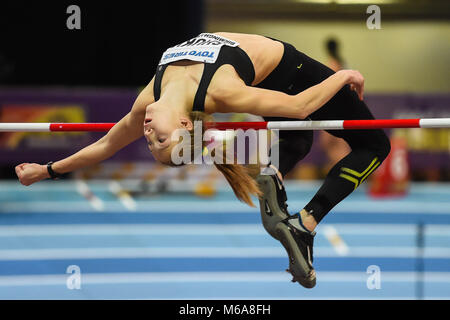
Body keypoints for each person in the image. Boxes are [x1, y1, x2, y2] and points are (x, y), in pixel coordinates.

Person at [15, 32, 391, 289]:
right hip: (285, 72)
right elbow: (300, 104)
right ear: (183, 124)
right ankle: (306, 222)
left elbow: (105, 146)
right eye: (160, 140)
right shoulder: (220, 91)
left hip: (265, 78)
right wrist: (343, 74)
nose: (148, 134)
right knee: (375, 145)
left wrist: (46, 170)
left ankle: (273, 174)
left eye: (153, 143)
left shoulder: (148, 100)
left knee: (296, 136)